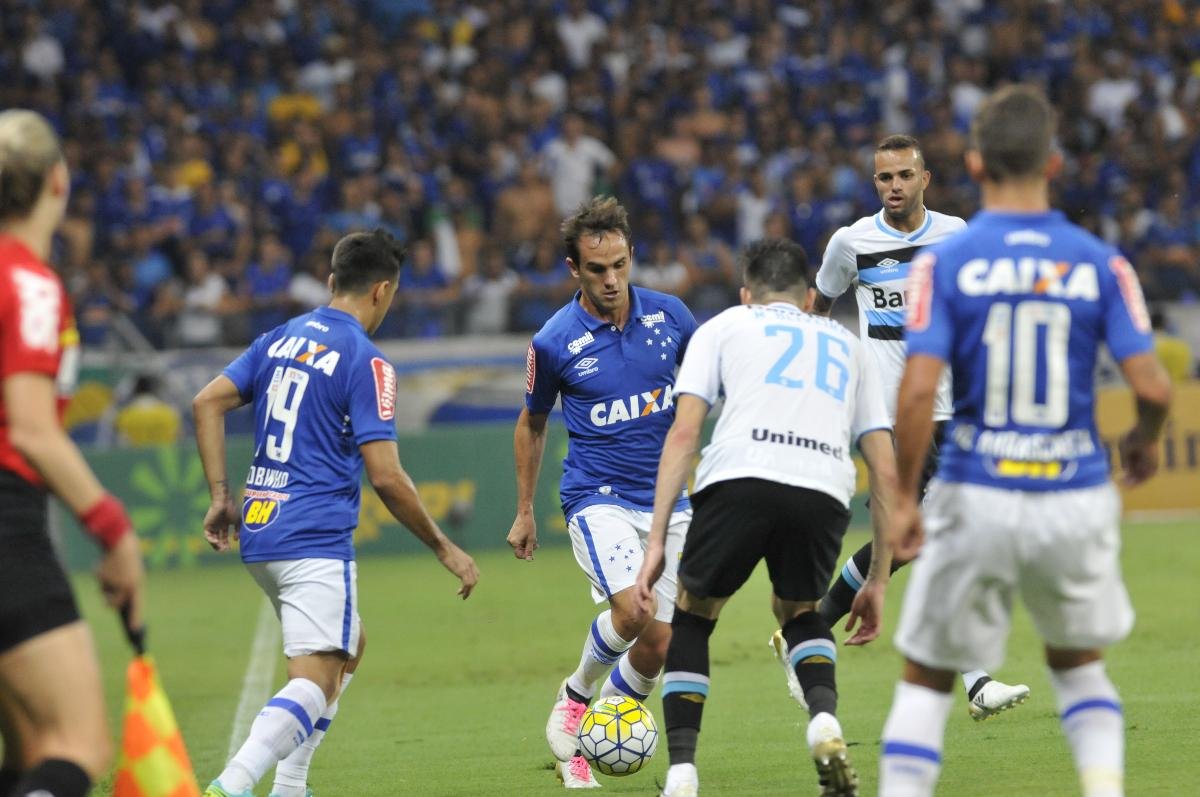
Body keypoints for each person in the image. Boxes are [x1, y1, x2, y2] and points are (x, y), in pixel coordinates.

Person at [878, 84, 1172, 797]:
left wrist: (903, 497)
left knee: (926, 675)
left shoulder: (944, 263)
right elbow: (1156, 388)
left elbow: (917, 393)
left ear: (974, 165)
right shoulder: (1103, 262)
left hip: (977, 488)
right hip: (1072, 490)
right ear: (1057, 163)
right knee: (1079, 666)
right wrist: (1142, 440)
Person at [194, 229, 479, 797]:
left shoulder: (278, 338)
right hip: (314, 536)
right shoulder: (366, 361)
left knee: (352, 643)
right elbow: (387, 476)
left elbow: (207, 402)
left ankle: (291, 785)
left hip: (261, 531)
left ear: (331, 282)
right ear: (381, 291)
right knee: (315, 680)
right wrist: (445, 547)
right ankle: (233, 784)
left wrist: (221, 495)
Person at [770, 133, 1029, 720]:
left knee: (917, 537)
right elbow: (820, 308)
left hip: (951, 408)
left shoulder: (957, 236)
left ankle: (806, 631)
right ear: (875, 183)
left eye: (904, 176)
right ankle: (975, 679)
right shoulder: (851, 243)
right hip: (886, 412)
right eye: (884, 178)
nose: (893, 187)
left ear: (925, 179)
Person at [635, 238, 899, 797]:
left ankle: (682, 772)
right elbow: (883, 465)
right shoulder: (849, 346)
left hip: (739, 476)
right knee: (800, 611)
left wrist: (657, 537)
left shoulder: (725, 326)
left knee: (694, 616)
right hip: (823, 487)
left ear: (746, 293)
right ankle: (824, 721)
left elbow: (683, 435)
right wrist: (877, 577)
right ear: (809, 297)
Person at [506, 196, 698, 789]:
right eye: (597, 269)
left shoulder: (673, 318)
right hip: (598, 494)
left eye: (619, 264)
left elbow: (699, 401)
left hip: (668, 503)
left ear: (632, 256)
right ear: (574, 270)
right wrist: (524, 512)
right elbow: (532, 423)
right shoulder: (554, 340)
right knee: (633, 611)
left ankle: (589, 740)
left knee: (661, 640)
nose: (611, 279)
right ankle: (576, 694)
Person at [0, 108, 145, 797]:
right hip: (6, 519)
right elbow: (29, 428)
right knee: (75, 744)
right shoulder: (27, 282)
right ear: (58, 180)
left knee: (28, 750)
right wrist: (113, 531)